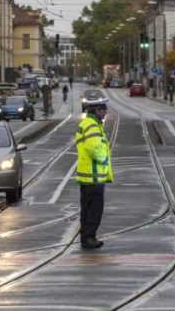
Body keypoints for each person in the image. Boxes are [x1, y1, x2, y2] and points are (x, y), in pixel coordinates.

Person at [74, 106, 112, 249]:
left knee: (87, 208)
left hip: (86, 175)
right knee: (94, 210)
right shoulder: (92, 126)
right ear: (97, 111)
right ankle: (89, 237)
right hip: (94, 175)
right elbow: (93, 147)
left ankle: (86, 237)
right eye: (103, 110)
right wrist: (103, 159)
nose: (105, 112)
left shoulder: (86, 123)